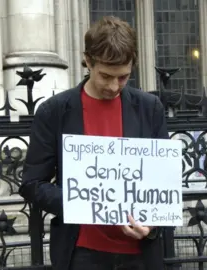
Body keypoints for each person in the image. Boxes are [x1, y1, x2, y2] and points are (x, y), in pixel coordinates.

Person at [19, 16, 168, 270]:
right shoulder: (54, 111)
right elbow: (33, 184)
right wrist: (84, 202)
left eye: (123, 77)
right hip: (81, 253)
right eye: (106, 76)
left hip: (140, 254)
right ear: (88, 61)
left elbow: (163, 182)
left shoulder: (149, 108)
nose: (113, 86)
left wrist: (153, 222)